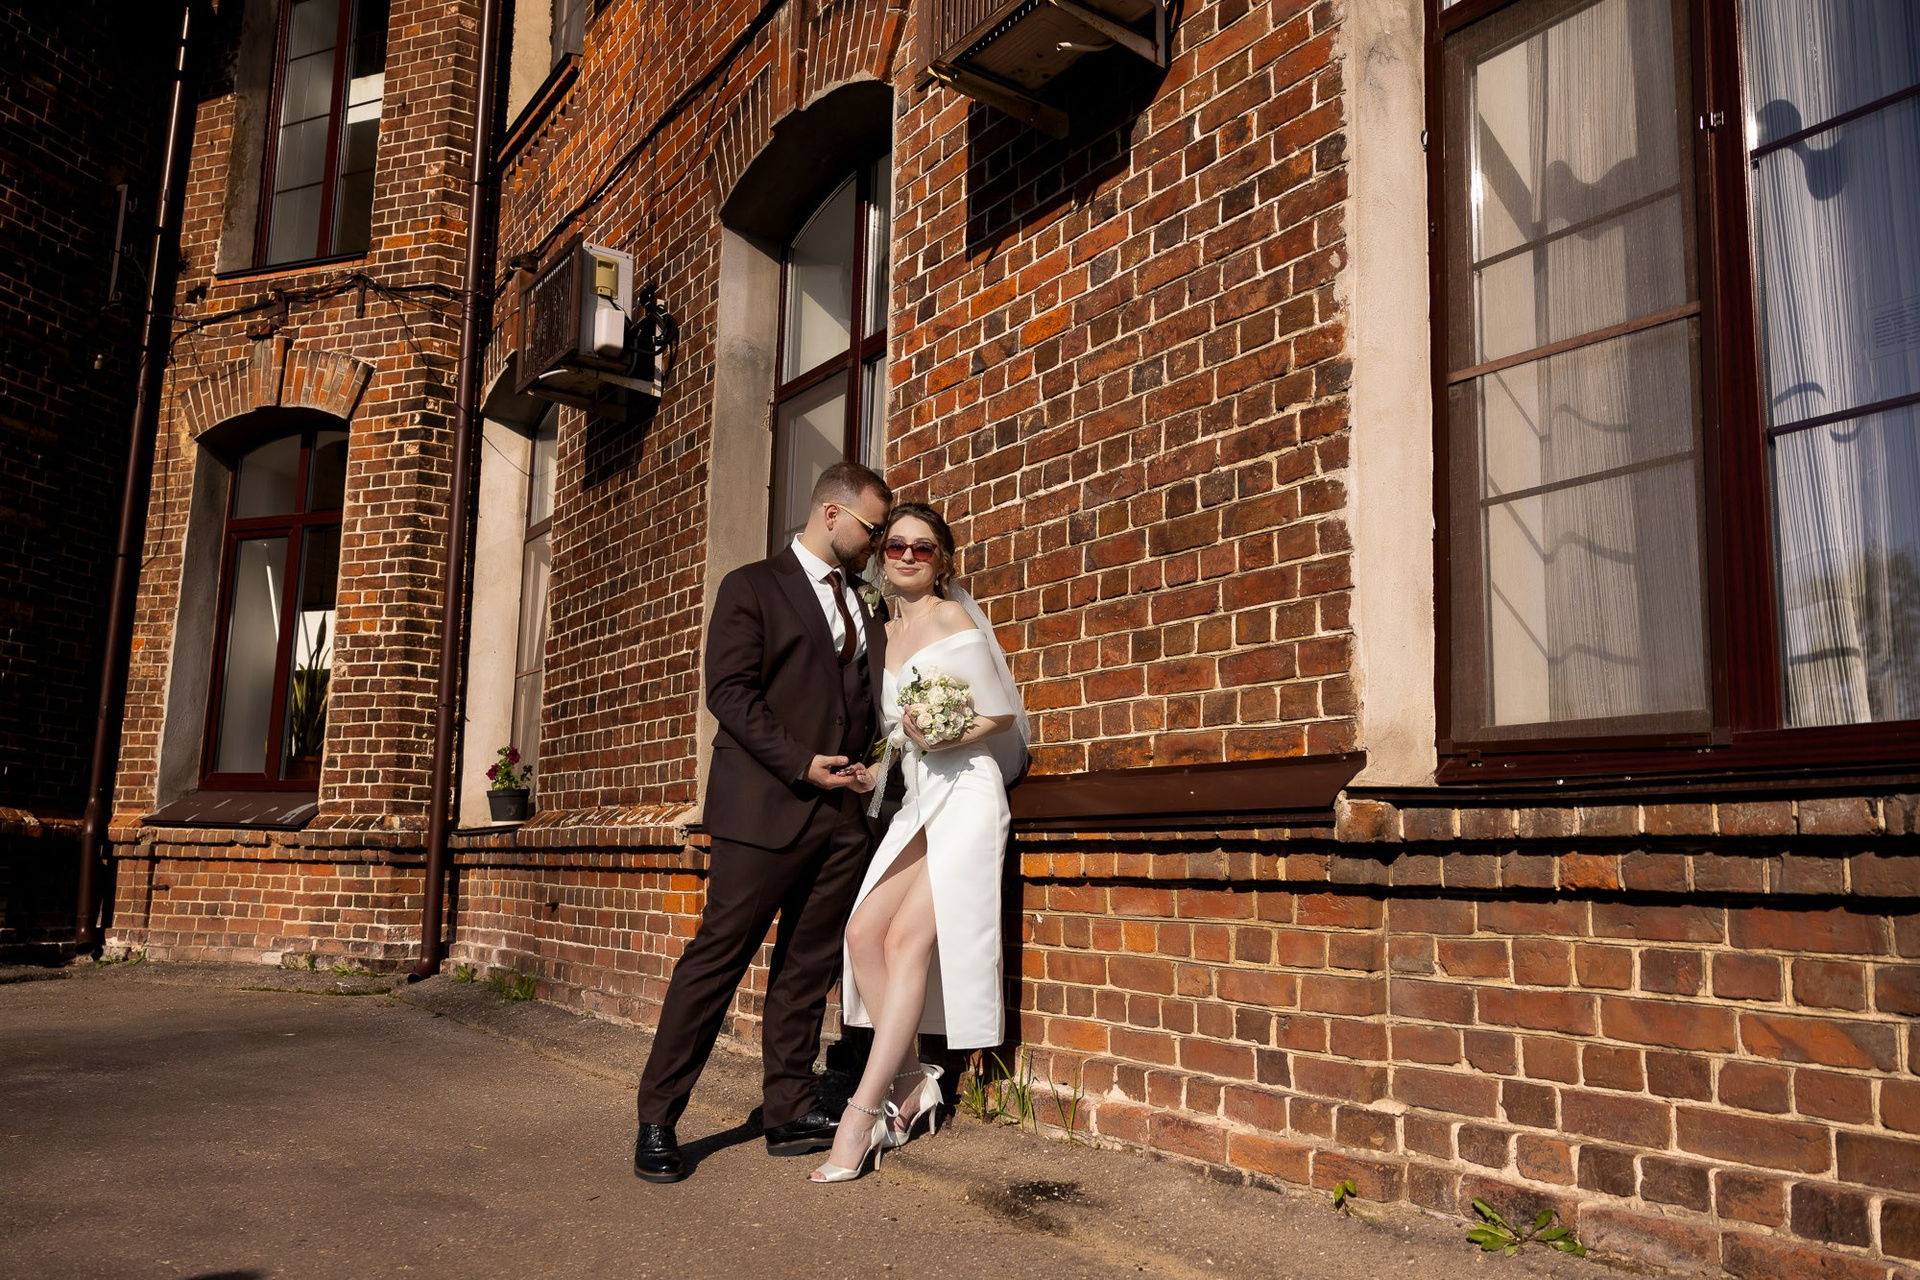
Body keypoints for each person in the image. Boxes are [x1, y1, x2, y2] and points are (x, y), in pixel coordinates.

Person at [633, 461, 893, 1184]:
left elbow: (865, 699)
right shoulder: (751, 586)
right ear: (832, 514)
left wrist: (872, 767)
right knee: (718, 959)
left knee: (808, 967)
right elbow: (730, 692)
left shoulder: (866, 602)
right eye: (873, 529)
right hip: (764, 808)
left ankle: (789, 1109)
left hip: (842, 818)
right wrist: (801, 763)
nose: (877, 544)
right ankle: (658, 1118)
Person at [809, 502, 1030, 1183]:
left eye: (923, 548)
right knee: (861, 934)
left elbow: (999, 714)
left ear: (942, 560)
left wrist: (943, 734)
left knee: (905, 942)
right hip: (919, 797)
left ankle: (863, 1114)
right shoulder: (881, 632)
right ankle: (911, 1081)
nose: (907, 556)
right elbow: (898, 735)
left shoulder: (952, 619)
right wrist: (875, 770)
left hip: (966, 791)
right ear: (882, 557)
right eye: (896, 545)